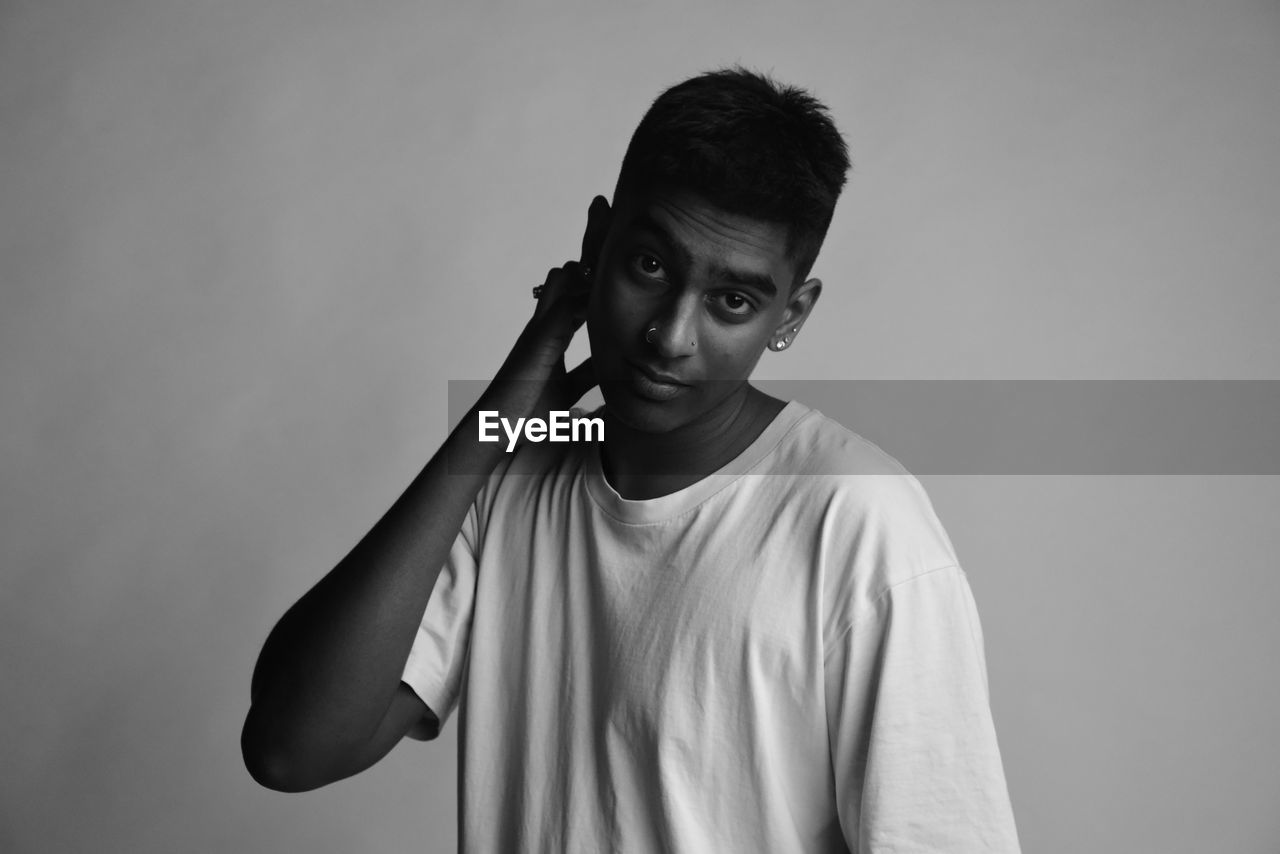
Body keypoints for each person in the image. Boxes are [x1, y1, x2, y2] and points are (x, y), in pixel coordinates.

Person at [242, 67, 1022, 853]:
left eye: (733, 302)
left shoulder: (860, 523)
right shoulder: (514, 475)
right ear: (595, 245)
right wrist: (491, 425)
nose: (671, 335)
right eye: (650, 267)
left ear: (792, 314)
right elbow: (289, 747)